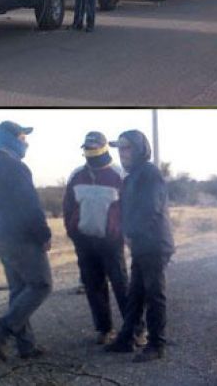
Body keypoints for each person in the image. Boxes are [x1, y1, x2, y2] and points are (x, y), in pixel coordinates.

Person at [0, 121, 52, 362]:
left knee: (20, 288)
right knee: (41, 285)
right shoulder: (15, 167)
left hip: (1, 236)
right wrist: (43, 235)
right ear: (9, 138)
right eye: (22, 137)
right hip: (22, 238)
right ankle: (2, 328)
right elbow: (29, 205)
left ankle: (26, 346)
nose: (26, 142)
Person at [104, 130, 174, 362]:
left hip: (154, 244)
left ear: (139, 148)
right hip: (142, 244)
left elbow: (150, 208)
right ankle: (126, 339)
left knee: (154, 295)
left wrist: (131, 233)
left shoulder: (149, 173)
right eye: (120, 148)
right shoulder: (133, 175)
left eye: (127, 147)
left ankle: (157, 344)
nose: (122, 153)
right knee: (135, 294)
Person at [63, 132, 138, 346]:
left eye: (95, 147)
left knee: (121, 285)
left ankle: (134, 329)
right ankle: (104, 329)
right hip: (84, 242)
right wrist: (72, 231)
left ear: (105, 148)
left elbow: (129, 208)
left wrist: (125, 234)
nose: (91, 151)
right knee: (93, 286)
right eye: (88, 147)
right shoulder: (76, 175)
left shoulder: (119, 175)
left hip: (111, 242)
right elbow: (68, 206)